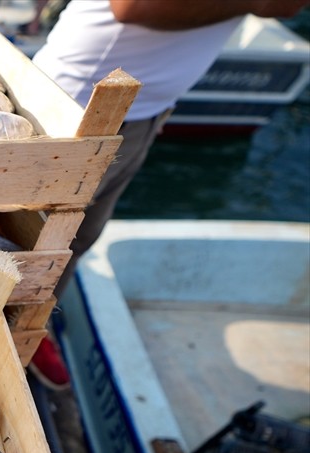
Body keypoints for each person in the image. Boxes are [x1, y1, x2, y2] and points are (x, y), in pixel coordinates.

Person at [25, 0, 310, 389]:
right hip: (81, 106)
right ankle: (8, 324)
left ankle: (31, 320)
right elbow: (132, 6)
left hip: (142, 111)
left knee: (78, 238)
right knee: (31, 242)